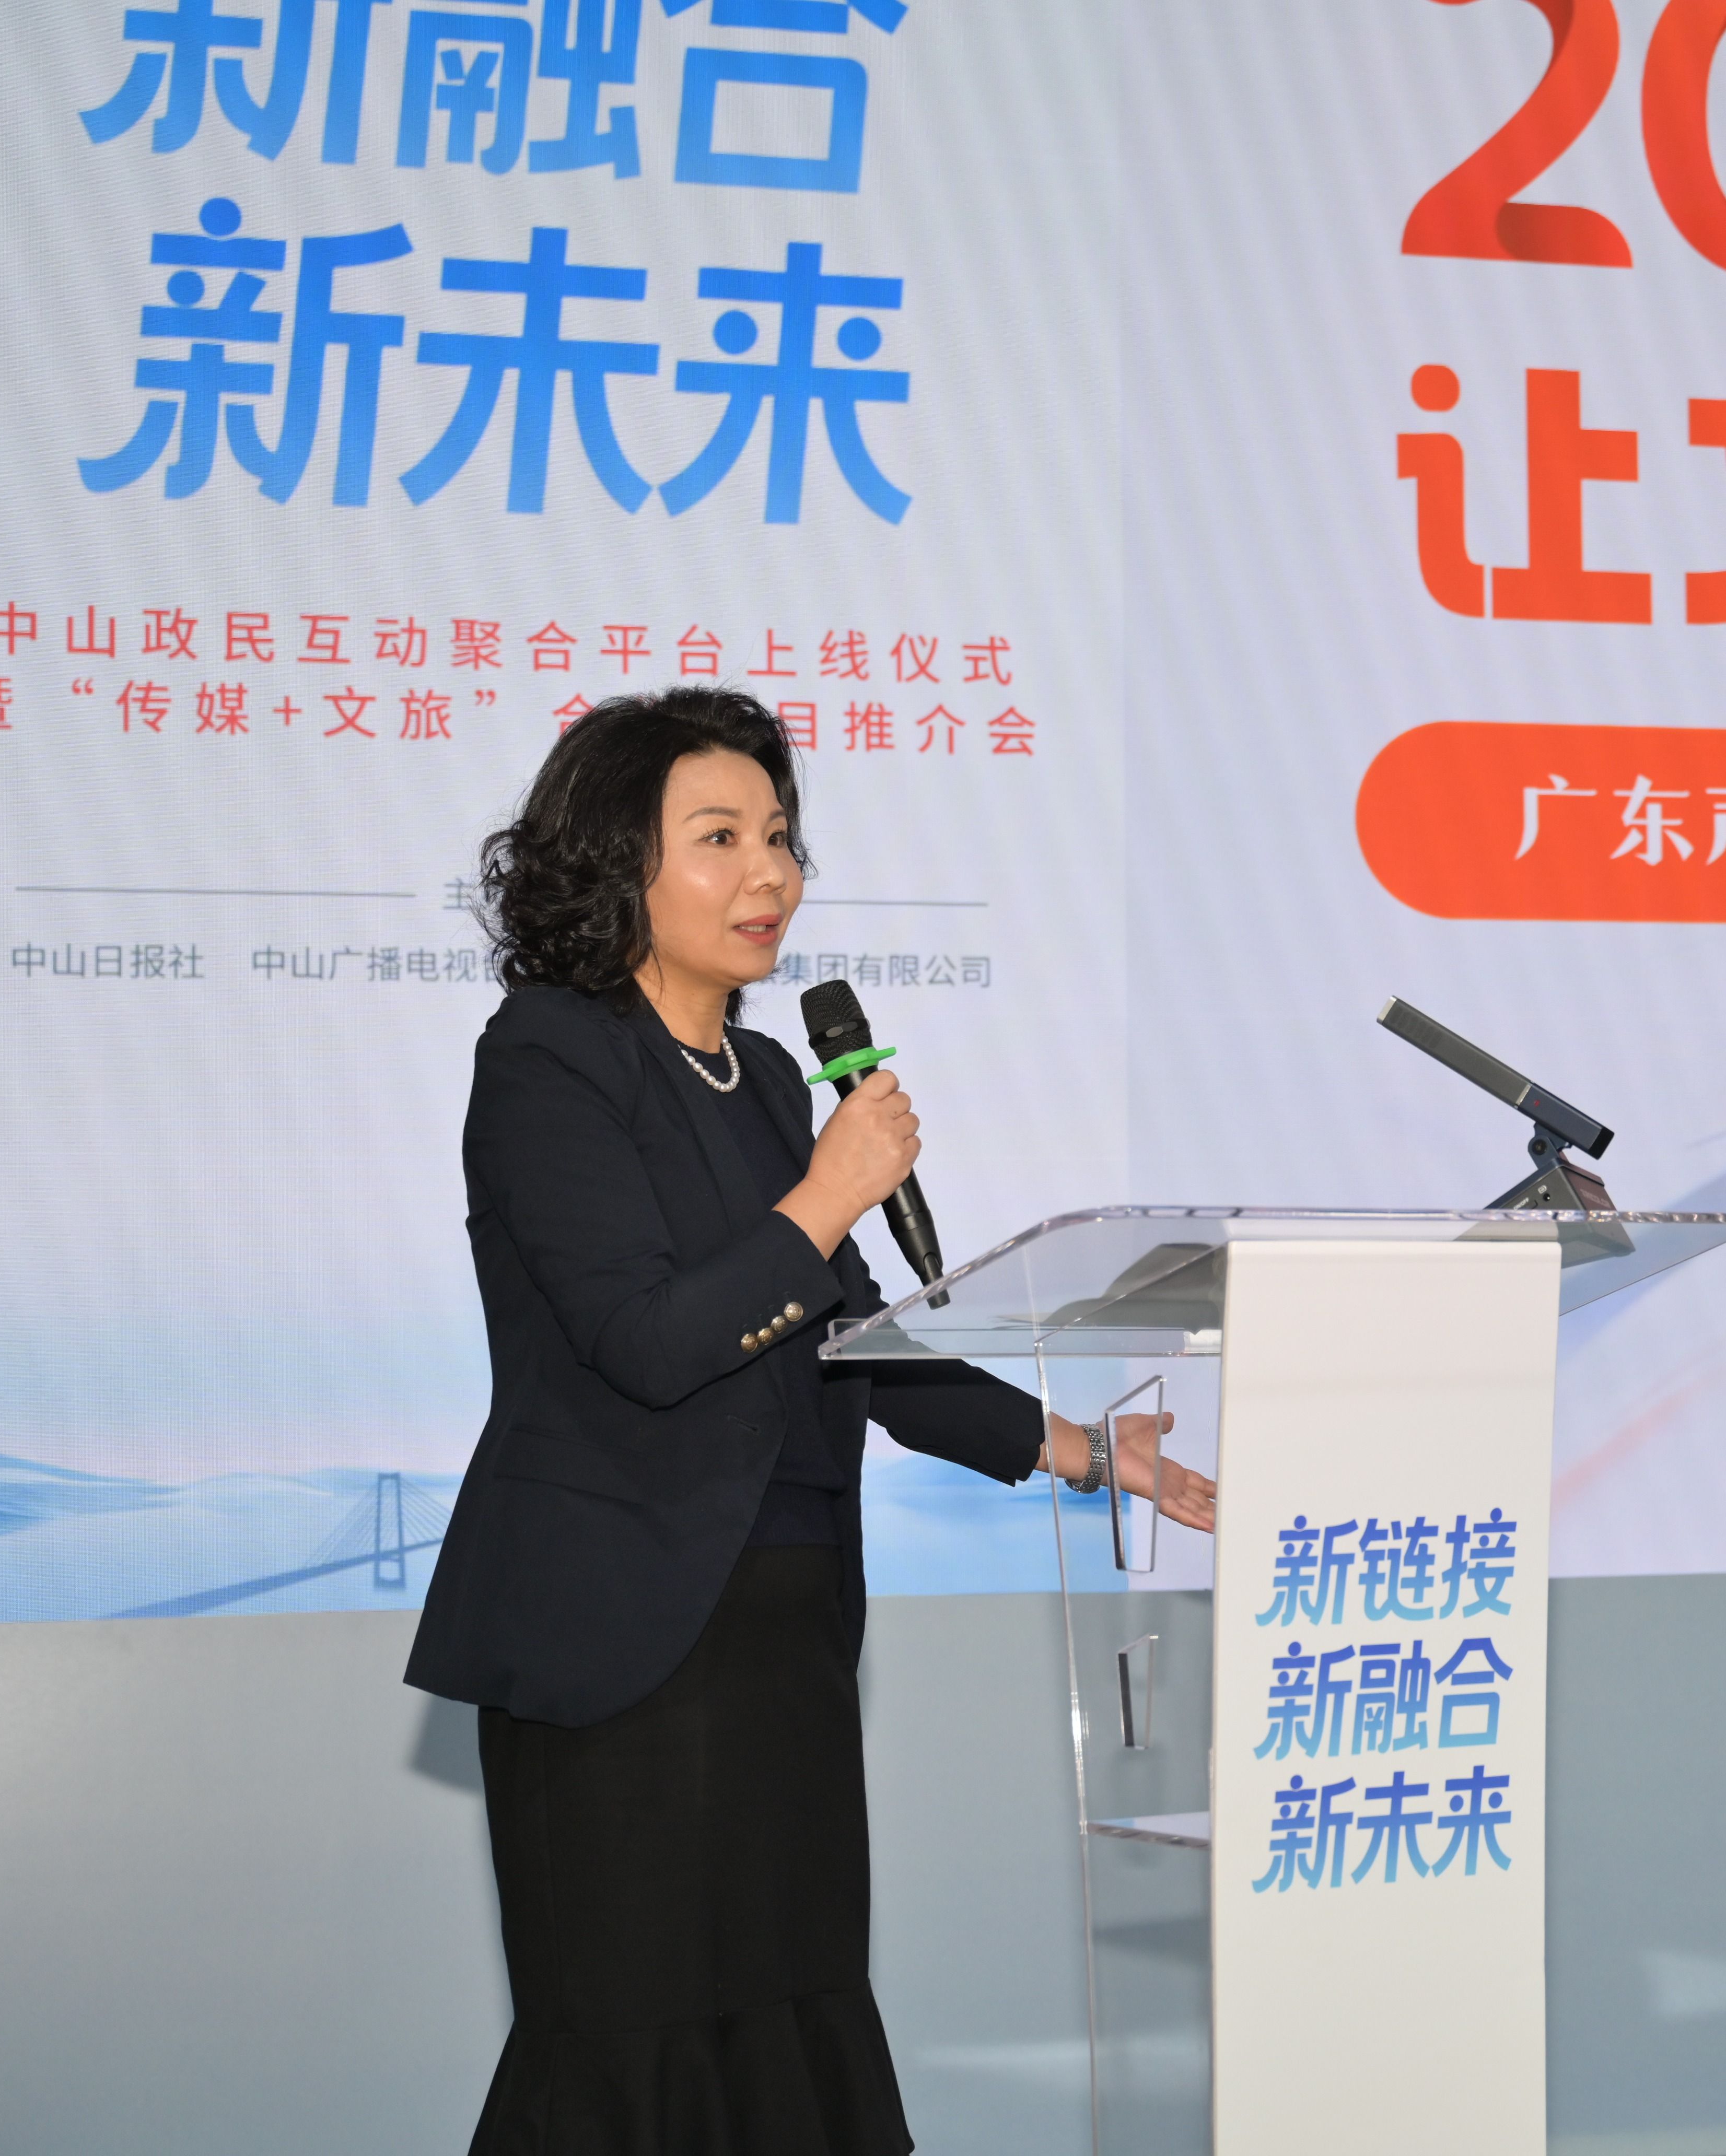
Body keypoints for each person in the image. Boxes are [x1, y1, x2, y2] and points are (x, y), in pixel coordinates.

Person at [405, 686, 1212, 2154]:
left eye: (779, 836)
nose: (769, 873)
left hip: (782, 1632)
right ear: (617, 863)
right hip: (618, 1647)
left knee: (792, 2020)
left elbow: (857, 1347)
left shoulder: (773, 1079)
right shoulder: (546, 1058)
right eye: (719, 837)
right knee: (634, 2042)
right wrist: (830, 1193)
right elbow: (649, 1344)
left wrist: (1093, 1454)